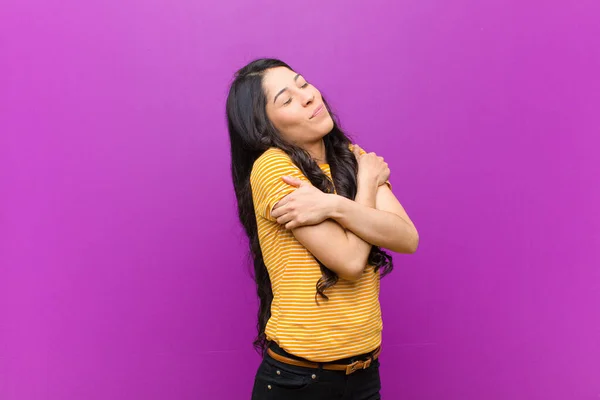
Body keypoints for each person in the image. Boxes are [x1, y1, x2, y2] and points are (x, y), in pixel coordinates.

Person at [226, 58, 419, 400]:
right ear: (265, 128)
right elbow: (348, 262)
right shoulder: (273, 168)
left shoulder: (352, 160)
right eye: (286, 100)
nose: (308, 97)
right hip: (300, 382)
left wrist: (335, 204)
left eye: (303, 84)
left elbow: (407, 237)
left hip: (363, 376)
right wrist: (368, 186)